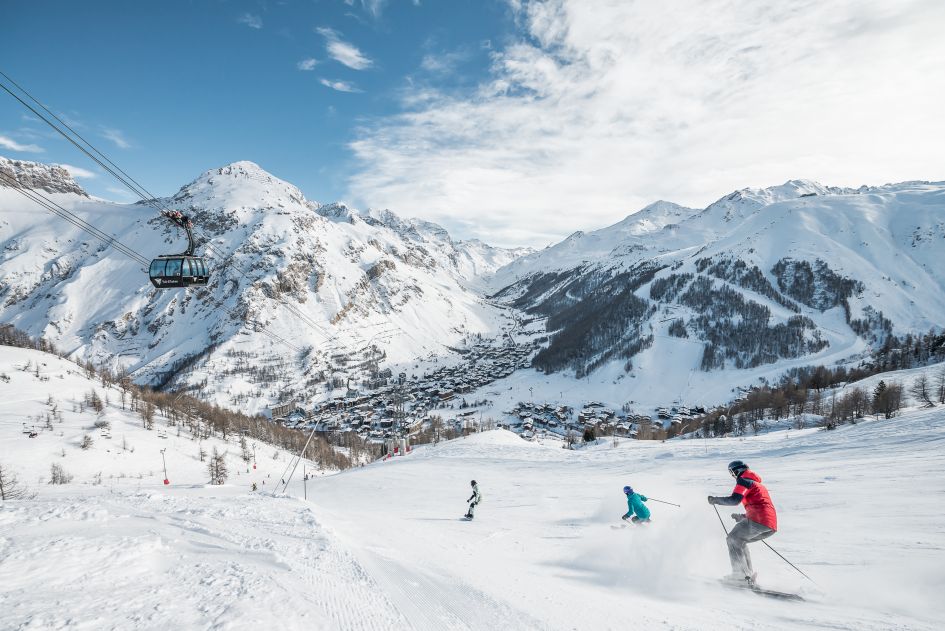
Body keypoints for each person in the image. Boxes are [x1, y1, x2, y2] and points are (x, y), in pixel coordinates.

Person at [707, 460, 778, 584]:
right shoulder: (757, 484)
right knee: (740, 541)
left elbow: (735, 500)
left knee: (732, 539)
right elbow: (760, 506)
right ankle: (747, 575)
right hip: (769, 525)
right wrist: (743, 517)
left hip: (759, 521)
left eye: (732, 472)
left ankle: (740, 575)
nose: (733, 476)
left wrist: (715, 500)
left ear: (737, 471)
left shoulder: (744, 481)